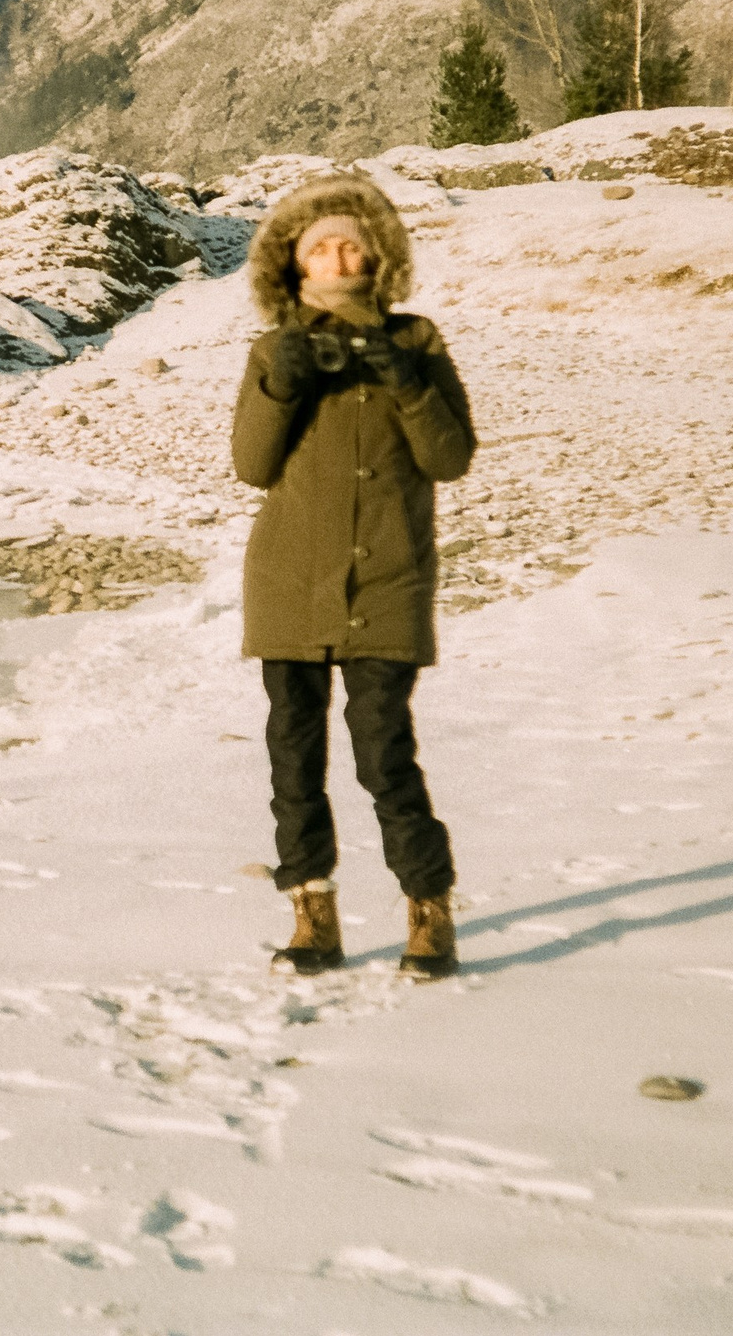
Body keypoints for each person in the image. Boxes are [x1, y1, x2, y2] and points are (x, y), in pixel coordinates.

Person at [230, 173, 476, 981]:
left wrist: (405, 381)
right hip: (289, 582)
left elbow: (449, 457)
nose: (336, 259)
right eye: (319, 248)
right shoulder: (272, 347)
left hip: (388, 581)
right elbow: (252, 464)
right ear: (294, 263)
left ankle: (429, 910)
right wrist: (282, 382)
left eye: (349, 245)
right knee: (293, 760)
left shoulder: (417, 340)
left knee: (383, 753)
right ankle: (312, 914)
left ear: (375, 256)